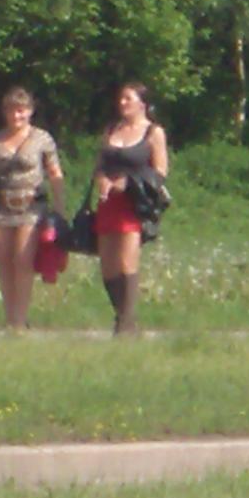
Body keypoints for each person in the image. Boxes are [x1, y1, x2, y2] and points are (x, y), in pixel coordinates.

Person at [0, 87, 65, 329]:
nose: (16, 116)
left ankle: (20, 320)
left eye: (21, 110)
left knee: (23, 261)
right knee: (4, 262)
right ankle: (9, 317)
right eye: (11, 110)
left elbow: (54, 172)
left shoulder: (42, 138)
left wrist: (59, 206)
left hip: (31, 207)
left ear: (30, 111)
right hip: (1, 206)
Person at [94, 82, 169, 336]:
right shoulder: (111, 130)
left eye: (128, 98)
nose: (122, 103)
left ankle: (125, 325)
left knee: (127, 262)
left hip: (134, 203)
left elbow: (160, 171)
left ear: (142, 103)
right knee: (108, 265)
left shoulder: (153, 133)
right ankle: (123, 316)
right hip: (108, 203)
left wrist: (129, 182)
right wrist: (102, 180)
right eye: (121, 98)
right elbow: (100, 164)